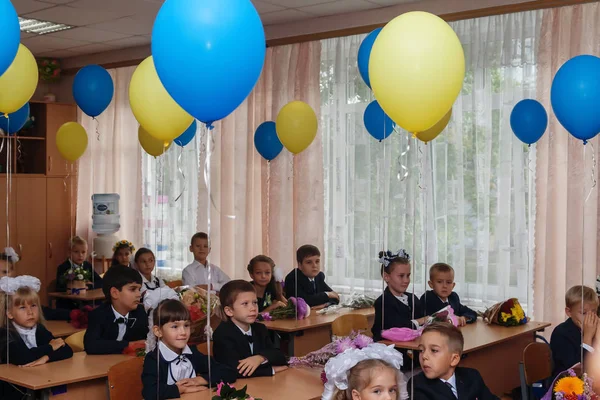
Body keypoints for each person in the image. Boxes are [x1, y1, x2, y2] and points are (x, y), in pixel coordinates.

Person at [142, 299, 237, 399]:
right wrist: (181, 389)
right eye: (175, 326)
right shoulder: (153, 359)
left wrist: (200, 380)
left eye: (186, 325)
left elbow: (228, 372)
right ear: (158, 331)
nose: (183, 332)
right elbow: (150, 392)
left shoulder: (192, 353)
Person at [0, 276, 73, 400]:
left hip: (35, 383)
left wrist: (46, 357)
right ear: (9, 313)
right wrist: (50, 347)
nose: (30, 312)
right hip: (9, 391)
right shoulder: (4, 333)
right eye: (22, 307)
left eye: (33, 306)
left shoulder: (38, 329)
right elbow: (23, 357)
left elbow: (67, 350)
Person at [213, 280, 288, 377]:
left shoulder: (260, 328)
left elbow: (279, 356)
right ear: (229, 311)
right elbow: (233, 370)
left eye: (255, 302)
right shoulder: (222, 334)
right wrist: (270, 370)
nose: (253, 308)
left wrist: (260, 357)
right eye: (245, 304)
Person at [408, 323, 497, 400]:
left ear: (454, 359)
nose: (424, 356)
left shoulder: (472, 376)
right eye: (421, 350)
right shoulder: (417, 384)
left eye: (434, 350)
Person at [84, 265, 148, 354]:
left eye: (139, 289)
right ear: (115, 293)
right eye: (133, 289)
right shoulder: (98, 314)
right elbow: (91, 345)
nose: (139, 295)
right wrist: (128, 345)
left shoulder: (141, 312)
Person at [372, 250, 426, 342]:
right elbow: (397, 328)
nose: (406, 280)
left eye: (408, 275)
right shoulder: (383, 302)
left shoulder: (412, 298)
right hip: (391, 350)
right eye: (401, 276)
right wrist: (420, 321)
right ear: (386, 277)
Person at [551, 285, 600, 377]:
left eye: (594, 312)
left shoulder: (596, 328)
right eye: (583, 313)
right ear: (569, 312)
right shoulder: (561, 333)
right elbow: (579, 370)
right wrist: (587, 337)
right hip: (568, 385)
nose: (590, 318)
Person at [56, 236, 103, 310]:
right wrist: (76, 287)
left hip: (86, 300)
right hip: (68, 303)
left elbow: (100, 281)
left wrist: (89, 287)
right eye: (76, 252)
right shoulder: (63, 267)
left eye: (83, 252)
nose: (80, 255)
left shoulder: (87, 265)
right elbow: (59, 287)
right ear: (69, 253)